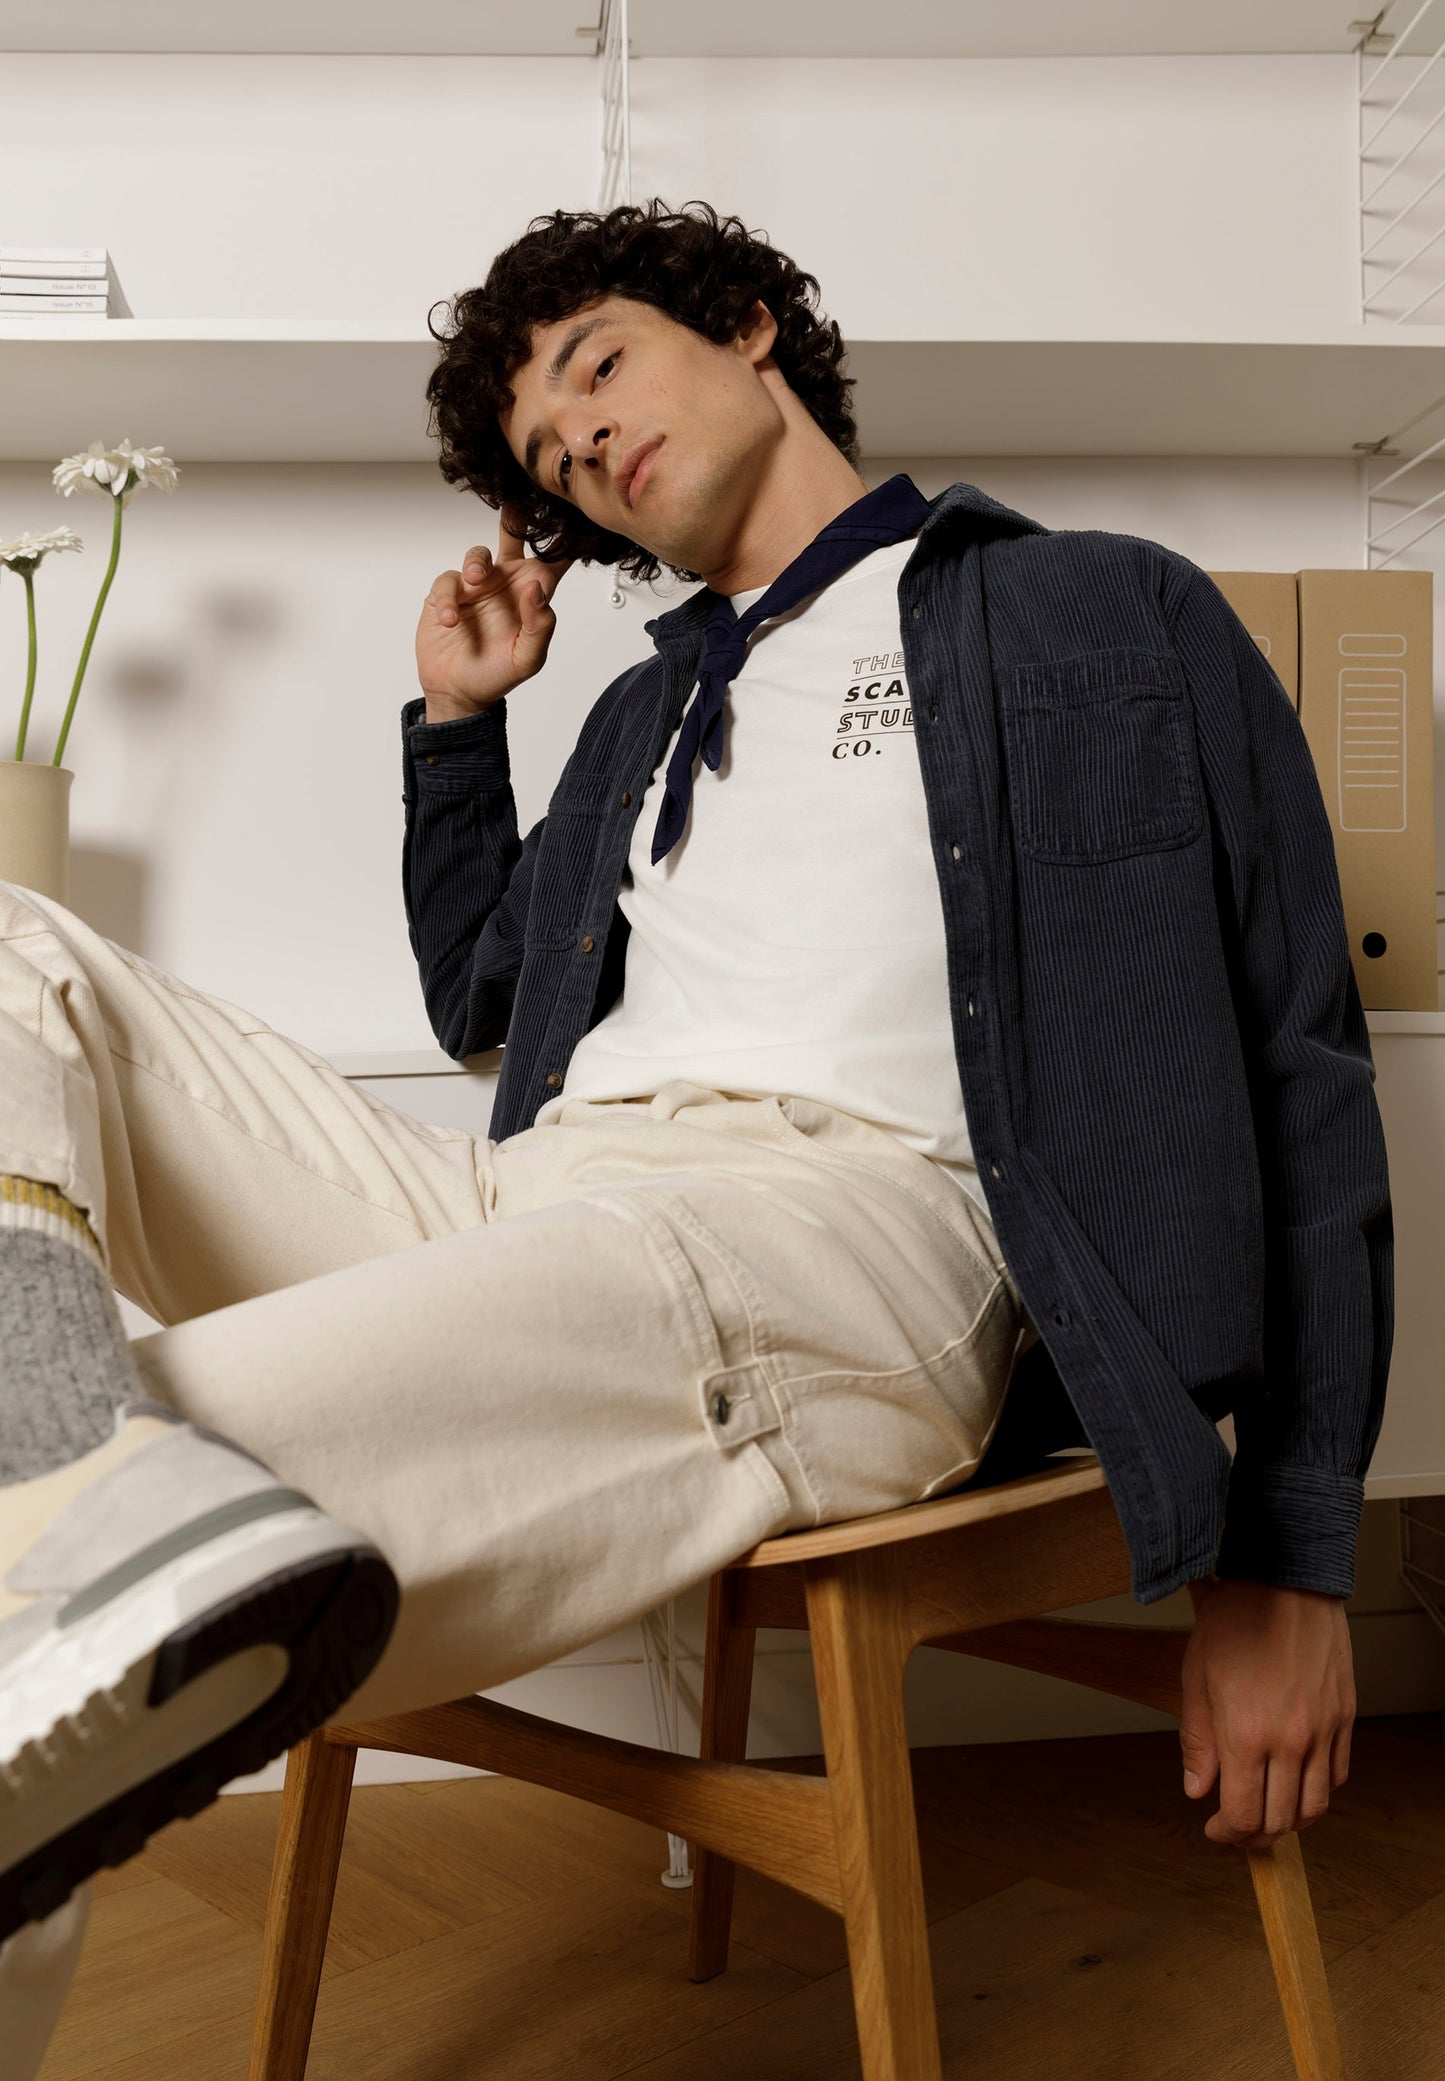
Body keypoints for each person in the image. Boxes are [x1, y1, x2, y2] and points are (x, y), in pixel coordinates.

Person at [0, 198, 1385, 2063]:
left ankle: (65, 1515)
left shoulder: (1097, 611)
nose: (583, 443)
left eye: (598, 370)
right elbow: (485, 1001)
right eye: (550, 455)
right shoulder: (643, 714)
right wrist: (454, 722)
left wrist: (1291, 1557)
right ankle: (40, 1434)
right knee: (17, 946)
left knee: (86, 1567)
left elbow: (1299, 1053)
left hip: (846, 1230)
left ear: (744, 327)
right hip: (536, 1195)